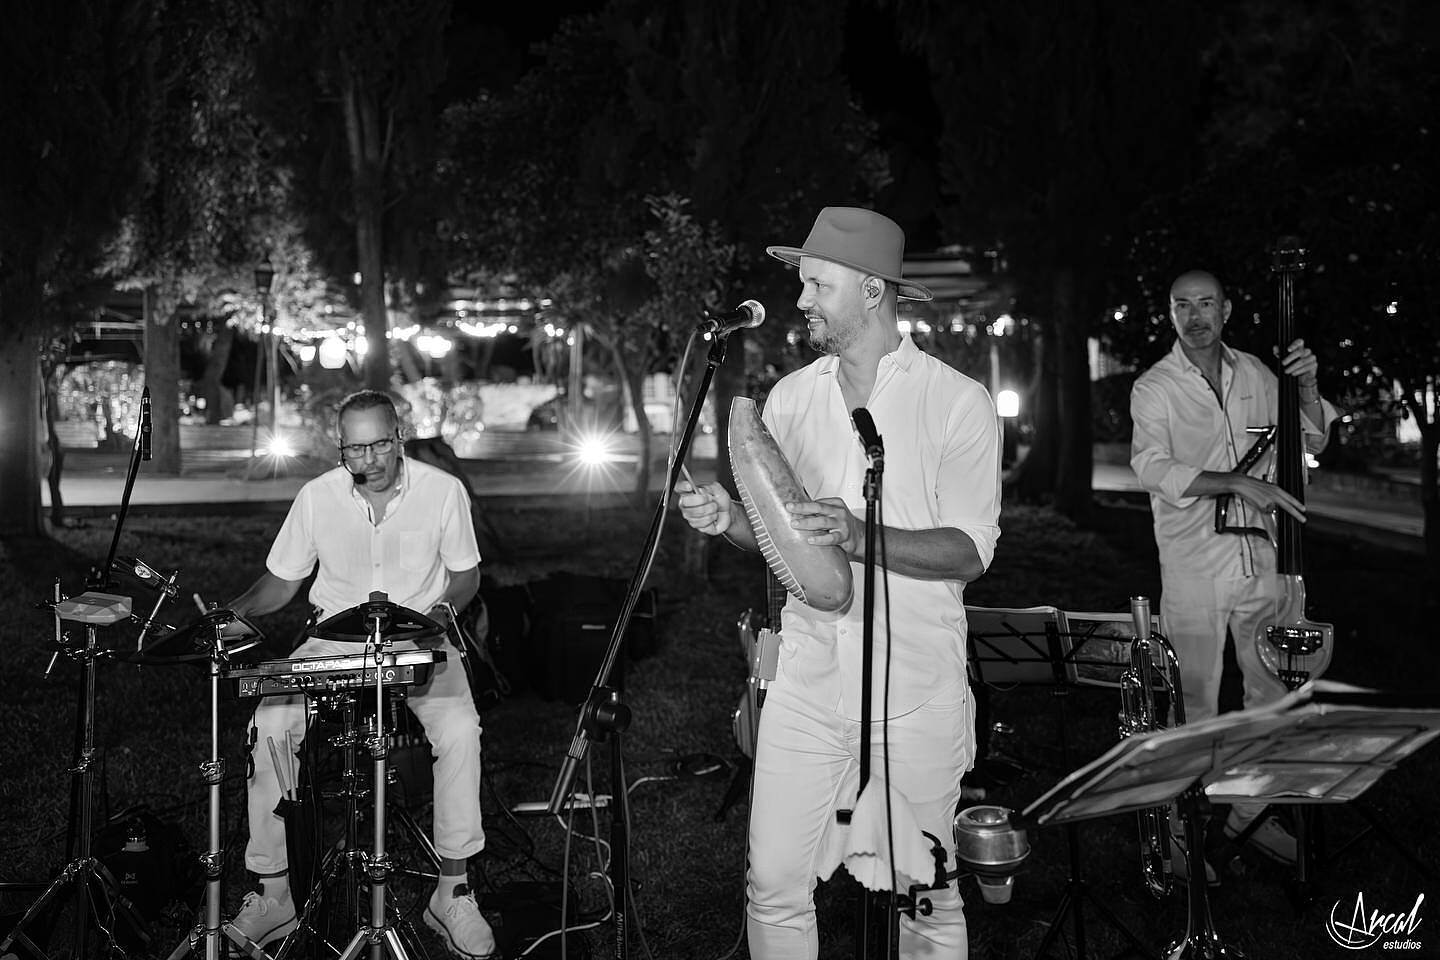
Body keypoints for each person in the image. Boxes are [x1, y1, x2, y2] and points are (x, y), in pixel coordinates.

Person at [677, 206, 1002, 959]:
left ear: (871, 290)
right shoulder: (791, 398)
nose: (801, 300)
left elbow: (968, 552)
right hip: (808, 684)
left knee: (923, 899)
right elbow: (784, 540)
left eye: (817, 284)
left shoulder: (958, 401)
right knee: (774, 885)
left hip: (916, 690)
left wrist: (861, 535)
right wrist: (730, 517)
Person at [223, 389, 495, 959]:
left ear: (400, 436)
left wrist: (445, 611)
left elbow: (465, 575)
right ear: (338, 445)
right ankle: (273, 894)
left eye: (379, 445)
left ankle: (453, 890)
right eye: (354, 448)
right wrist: (236, 613)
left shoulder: (443, 491)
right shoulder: (316, 496)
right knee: (270, 723)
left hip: (418, 638)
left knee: (460, 730)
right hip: (331, 639)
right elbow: (282, 582)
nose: (368, 459)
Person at [1129, 269, 1339, 874]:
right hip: (1194, 566)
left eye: (1206, 304)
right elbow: (1151, 467)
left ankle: (1246, 817)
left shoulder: (1256, 374)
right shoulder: (1155, 386)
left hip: (1263, 563)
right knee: (1192, 702)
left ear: (1227, 309)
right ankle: (1179, 839)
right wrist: (1234, 481)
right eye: (1181, 306)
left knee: (1270, 697)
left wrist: (1306, 387)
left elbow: (1310, 444)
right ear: (1170, 314)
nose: (1195, 316)